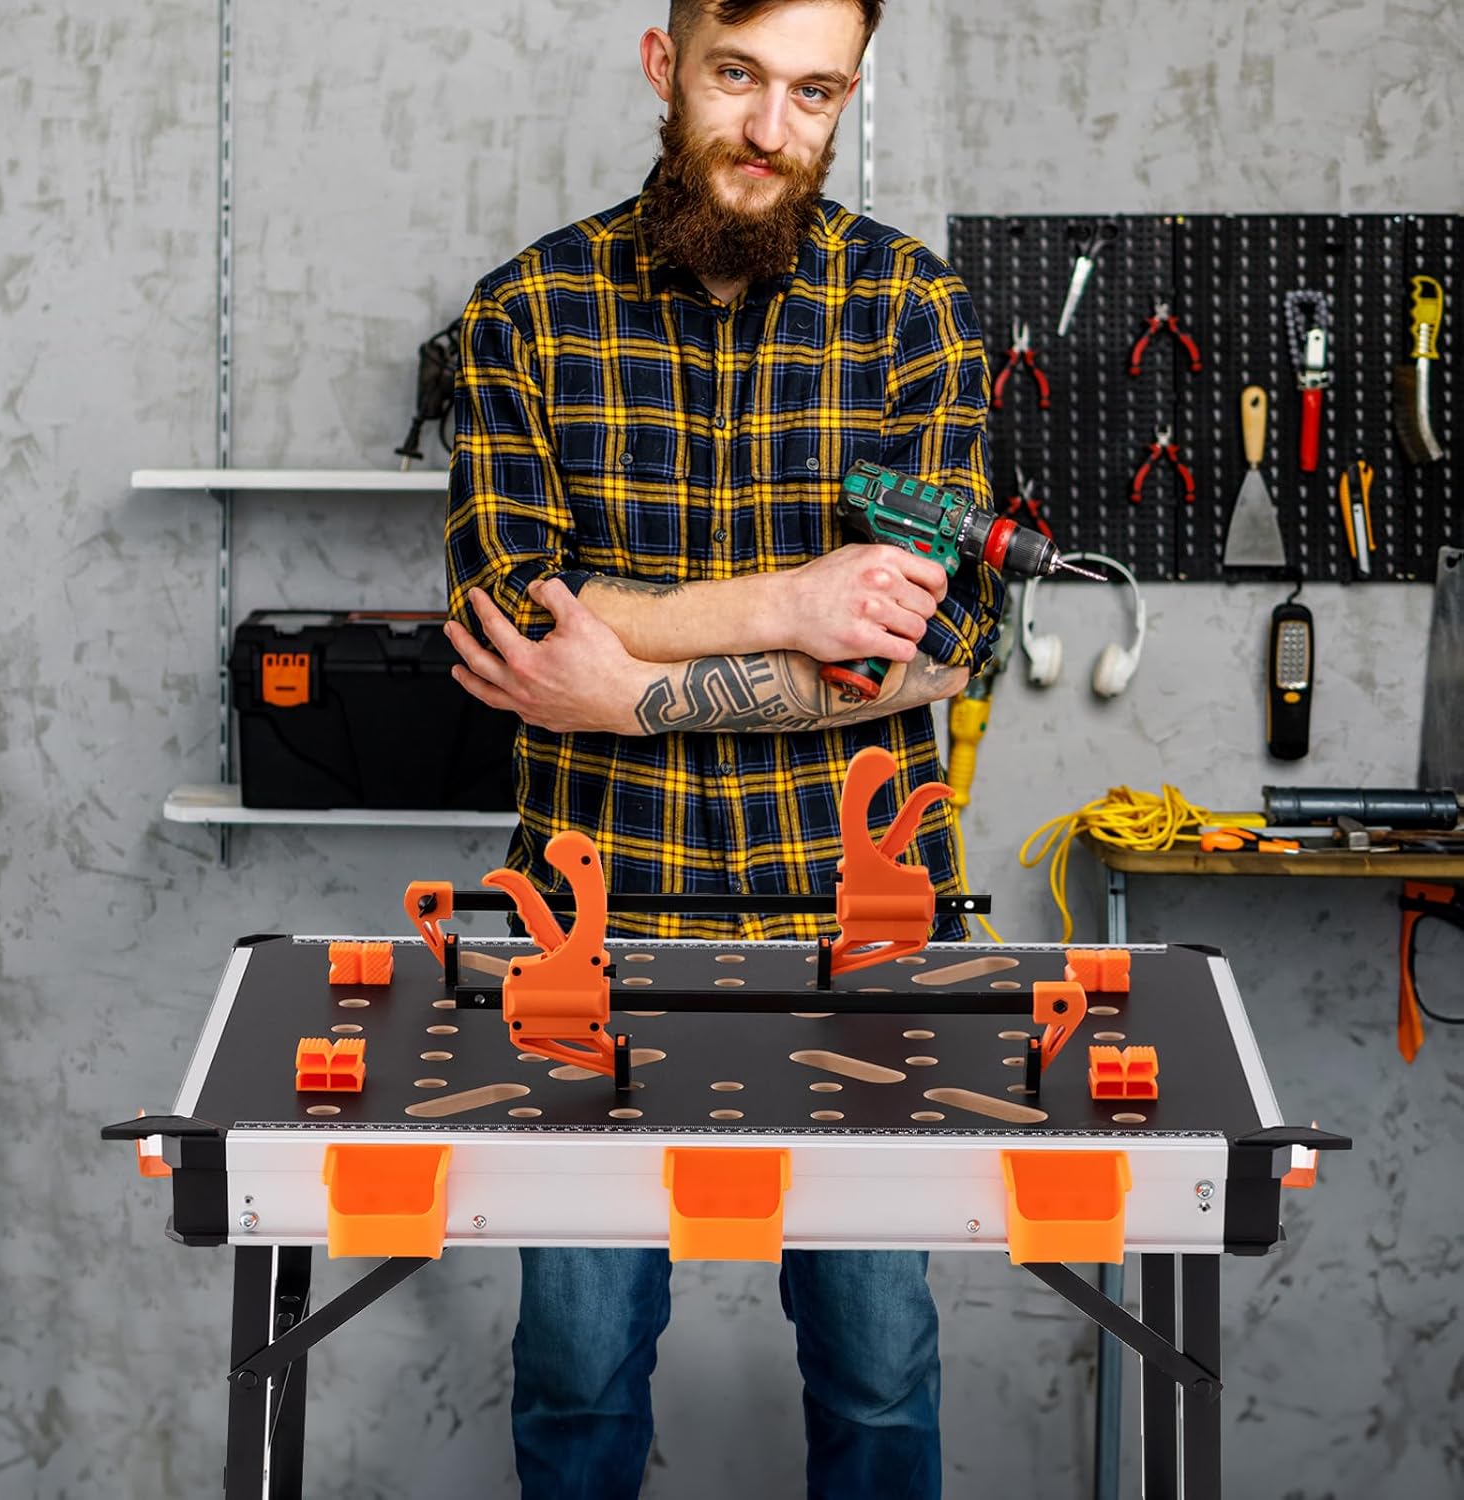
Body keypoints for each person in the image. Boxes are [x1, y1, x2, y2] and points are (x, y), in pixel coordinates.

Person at [443, 2, 1001, 1494]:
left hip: (864, 928)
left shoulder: (915, 313)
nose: (768, 130)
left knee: (879, 1376)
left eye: (813, 92)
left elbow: (943, 647)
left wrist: (626, 692)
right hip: (594, 933)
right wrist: (792, 605)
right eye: (736, 76)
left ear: (849, 94)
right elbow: (516, 613)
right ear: (664, 63)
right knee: (576, 1376)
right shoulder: (526, 315)